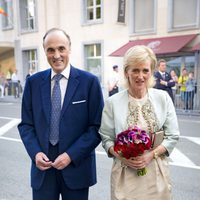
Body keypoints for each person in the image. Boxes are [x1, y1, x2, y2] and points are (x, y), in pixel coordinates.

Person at [18, 28, 104, 200]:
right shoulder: (33, 83)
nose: (56, 55)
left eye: (61, 48)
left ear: (69, 49)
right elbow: (26, 125)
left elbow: (96, 128)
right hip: (43, 169)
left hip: (76, 167)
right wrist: (35, 153)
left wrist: (70, 156)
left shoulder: (89, 82)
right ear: (45, 52)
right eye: (51, 50)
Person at [99, 45, 180, 200]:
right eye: (135, 70)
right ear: (126, 72)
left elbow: (172, 136)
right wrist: (122, 157)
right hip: (124, 174)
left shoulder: (163, 98)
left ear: (151, 72)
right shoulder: (112, 103)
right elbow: (106, 139)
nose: (140, 76)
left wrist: (151, 155)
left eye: (145, 70)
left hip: (156, 173)